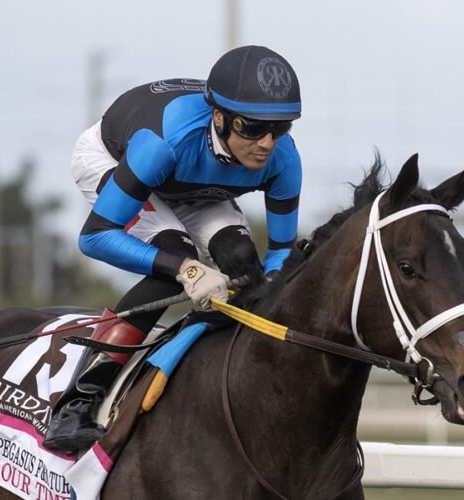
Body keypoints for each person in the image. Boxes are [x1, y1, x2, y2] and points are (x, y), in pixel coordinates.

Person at [42, 45, 303, 454]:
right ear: (220, 117)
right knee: (173, 264)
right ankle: (78, 401)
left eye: (280, 128)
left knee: (246, 272)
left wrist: (269, 284)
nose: (267, 143)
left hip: (193, 182)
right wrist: (185, 270)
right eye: (252, 127)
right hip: (119, 161)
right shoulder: (161, 144)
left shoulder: (284, 159)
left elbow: (281, 253)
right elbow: (94, 237)